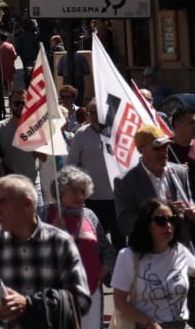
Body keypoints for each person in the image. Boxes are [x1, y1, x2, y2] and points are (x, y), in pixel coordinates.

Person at [0, 174, 90, 326]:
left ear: (27, 204)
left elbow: (81, 300)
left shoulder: (60, 243)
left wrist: (29, 305)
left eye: (3, 201)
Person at [42, 166, 114, 329]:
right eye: (74, 191)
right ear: (61, 191)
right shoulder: (44, 214)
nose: (80, 196)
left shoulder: (89, 215)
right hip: (57, 293)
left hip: (91, 292)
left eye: (83, 191)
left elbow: (107, 251)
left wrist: (102, 271)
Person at [112, 198, 195, 329]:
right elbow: (120, 302)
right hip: (147, 326)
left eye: (172, 220)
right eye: (161, 220)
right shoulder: (128, 256)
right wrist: (151, 324)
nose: (168, 226)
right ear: (146, 224)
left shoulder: (180, 251)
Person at [116, 124, 195, 243]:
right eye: (157, 148)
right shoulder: (126, 181)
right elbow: (125, 225)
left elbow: (189, 203)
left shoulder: (180, 172)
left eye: (166, 146)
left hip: (181, 247)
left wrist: (192, 212)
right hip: (150, 251)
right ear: (140, 150)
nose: (163, 151)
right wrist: (162, 214)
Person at [67, 100, 120, 248]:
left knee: (120, 240)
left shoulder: (118, 133)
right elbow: (72, 165)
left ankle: (119, 269)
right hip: (93, 199)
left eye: (97, 112)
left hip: (118, 197)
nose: (94, 116)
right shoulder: (81, 134)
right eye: (90, 113)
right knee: (96, 240)